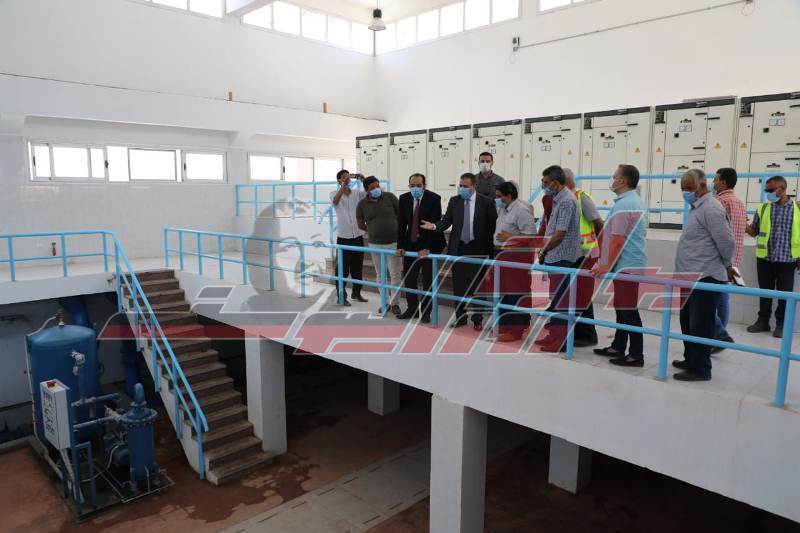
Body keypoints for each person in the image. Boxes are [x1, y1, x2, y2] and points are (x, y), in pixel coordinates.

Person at [672, 169, 735, 382]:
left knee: (701, 325)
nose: (686, 193)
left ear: (703, 185)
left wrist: (727, 264)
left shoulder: (712, 208)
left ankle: (700, 369)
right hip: (689, 276)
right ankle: (691, 360)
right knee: (687, 322)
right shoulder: (697, 208)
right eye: (683, 189)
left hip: (705, 276)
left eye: (689, 188)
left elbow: (727, 242)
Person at [421, 173, 497, 330]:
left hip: (478, 249)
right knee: (459, 286)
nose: (462, 188)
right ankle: (460, 317)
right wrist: (434, 226)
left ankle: (477, 319)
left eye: (465, 186)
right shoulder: (454, 201)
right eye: (460, 186)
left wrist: (491, 253)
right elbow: (446, 221)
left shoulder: (487, 202)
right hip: (458, 249)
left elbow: (492, 228)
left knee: (478, 286)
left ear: (474, 186)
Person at [591, 164, 648, 367]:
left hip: (626, 265)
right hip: (627, 263)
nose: (612, 180)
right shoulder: (633, 201)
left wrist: (607, 265)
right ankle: (618, 346)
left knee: (628, 310)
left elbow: (617, 240)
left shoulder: (625, 205)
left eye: (614, 177)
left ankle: (636, 355)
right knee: (622, 307)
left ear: (623, 181)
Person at [534, 165, 584, 352]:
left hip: (562, 257)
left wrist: (543, 251)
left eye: (545, 182)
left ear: (555, 183)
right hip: (555, 257)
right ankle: (554, 335)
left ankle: (560, 341)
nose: (543, 186)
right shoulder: (558, 199)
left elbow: (559, 234)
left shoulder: (566, 201)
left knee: (561, 301)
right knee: (556, 300)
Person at [745, 175, 800, 338]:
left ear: (782, 189)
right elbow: (754, 231)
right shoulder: (763, 208)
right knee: (765, 292)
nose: (767, 193)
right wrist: (744, 225)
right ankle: (763, 321)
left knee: (784, 295)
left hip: (787, 260)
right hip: (765, 259)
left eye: (770, 190)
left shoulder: (797, 208)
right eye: (766, 190)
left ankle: (781, 325)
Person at [396, 173, 445, 323]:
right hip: (411, 243)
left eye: (418, 185)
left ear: (424, 186)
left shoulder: (434, 199)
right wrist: (400, 246)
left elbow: (434, 225)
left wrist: (428, 248)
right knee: (409, 278)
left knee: (427, 280)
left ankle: (426, 312)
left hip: (430, 243)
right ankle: (412, 309)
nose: (415, 188)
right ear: (408, 186)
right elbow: (401, 224)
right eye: (412, 185)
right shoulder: (404, 199)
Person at [494, 181, 537, 342]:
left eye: (499, 196)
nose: (497, 199)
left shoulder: (521, 210)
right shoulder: (503, 209)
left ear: (509, 195)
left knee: (515, 291)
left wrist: (510, 237)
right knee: (503, 291)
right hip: (502, 254)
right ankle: (504, 324)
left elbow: (531, 236)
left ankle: (516, 330)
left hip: (516, 255)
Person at [564, 168, 602, 346]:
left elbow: (598, 223)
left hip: (586, 254)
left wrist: (603, 252)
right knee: (572, 294)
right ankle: (576, 331)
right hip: (572, 254)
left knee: (582, 294)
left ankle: (587, 335)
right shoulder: (564, 199)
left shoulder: (581, 197)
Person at [710, 168, 747, 351]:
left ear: (723, 182)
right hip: (733, 259)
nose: (713, 183)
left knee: (707, 299)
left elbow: (717, 233)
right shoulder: (739, 202)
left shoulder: (720, 202)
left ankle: (720, 336)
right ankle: (719, 335)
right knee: (722, 297)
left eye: (715, 179)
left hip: (719, 259)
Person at [356, 176, 403, 316]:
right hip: (375, 244)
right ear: (367, 190)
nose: (377, 189)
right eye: (372, 188)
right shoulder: (362, 204)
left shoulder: (390, 197)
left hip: (393, 243)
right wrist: (372, 230)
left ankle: (395, 303)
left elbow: (401, 216)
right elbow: (360, 224)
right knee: (380, 275)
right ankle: (385, 302)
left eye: (377, 186)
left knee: (395, 274)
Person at [330, 170, 367, 306]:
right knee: (342, 269)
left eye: (348, 176)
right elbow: (335, 201)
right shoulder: (334, 193)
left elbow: (368, 193)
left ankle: (356, 292)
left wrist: (363, 180)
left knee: (357, 267)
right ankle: (341, 295)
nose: (346, 178)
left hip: (357, 236)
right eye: (343, 177)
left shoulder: (356, 193)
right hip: (344, 237)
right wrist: (343, 186)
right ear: (339, 180)